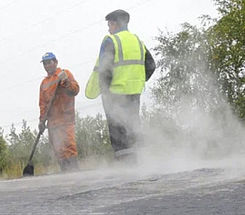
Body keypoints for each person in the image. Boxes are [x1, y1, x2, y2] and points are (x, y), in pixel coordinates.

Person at [85, 9, 156, 163]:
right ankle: (136, 164)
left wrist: (105, 91)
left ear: (115, 23)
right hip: (134, 93)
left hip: (115, 94)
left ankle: (124, 169)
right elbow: (151, 65)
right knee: (132, 129)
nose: (108, 29)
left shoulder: (112, 40)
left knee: (118, 132)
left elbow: (105, 70)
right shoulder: (138, 41)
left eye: (109, 25)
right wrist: (138, 80)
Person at [38, 52, 81, 172]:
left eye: (49, 62)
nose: (47, 66)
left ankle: (75, 172)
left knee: (69, 146)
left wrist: (66, 82)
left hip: (66, 118)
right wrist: (42, 121)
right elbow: (43, 104)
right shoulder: (44, 83)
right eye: (45, 64)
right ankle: (65, 174)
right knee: (58, 150)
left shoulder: (64, 74)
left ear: (55, 62)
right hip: (52, 122)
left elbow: (75, 90)